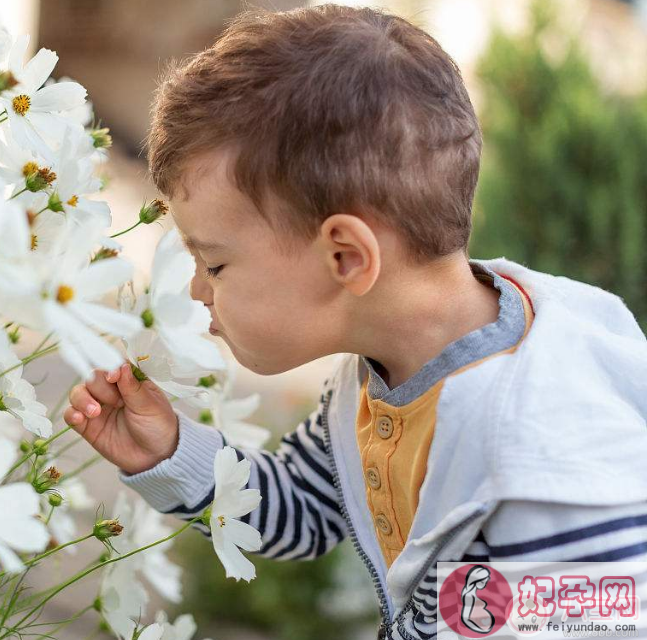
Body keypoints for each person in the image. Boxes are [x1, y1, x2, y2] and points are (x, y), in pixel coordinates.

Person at [63, 5, 647, 639]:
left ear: (345, 257)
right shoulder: (381, 379)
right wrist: (173, 454)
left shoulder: (545, 461)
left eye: (217, 264)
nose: (196, 291)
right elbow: (303, 509)